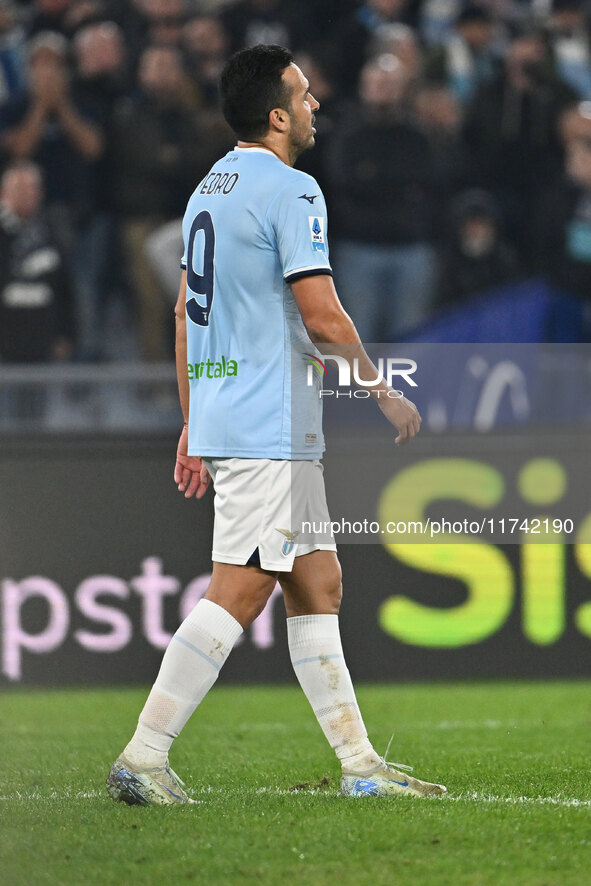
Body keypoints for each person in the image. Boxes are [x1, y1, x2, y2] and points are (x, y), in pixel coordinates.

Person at [106, 44, 446, 806]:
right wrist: (382, 389)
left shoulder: (207, 191)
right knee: (241, 588)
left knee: (315, 582)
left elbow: (184, 315)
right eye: (305, 91)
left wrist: (194, 421)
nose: (316, 103)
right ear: (277, 114)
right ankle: (144, 755)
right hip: (267, 418)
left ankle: (360, 766)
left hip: (236, 409)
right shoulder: (291, 190)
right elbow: (323, 314)